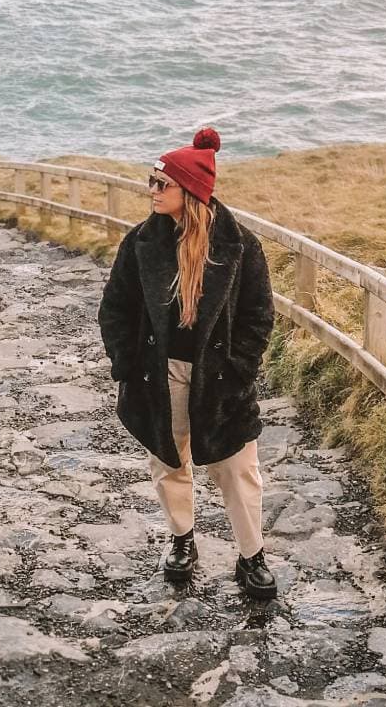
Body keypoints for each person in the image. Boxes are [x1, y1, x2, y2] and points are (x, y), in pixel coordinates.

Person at [97, 126, 277, 598]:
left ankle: (252, 554)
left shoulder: (240, 246)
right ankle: (181, 539)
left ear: (190, 191)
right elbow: (115, 308)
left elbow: (259, 315)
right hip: (161, 371)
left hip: (221, 378)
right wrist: (126, 364)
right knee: (168, 458)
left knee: (238, 467)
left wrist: (240, 369)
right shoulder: (141, 243)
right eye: (151, 181)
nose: (151, 190)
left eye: (162, 183)